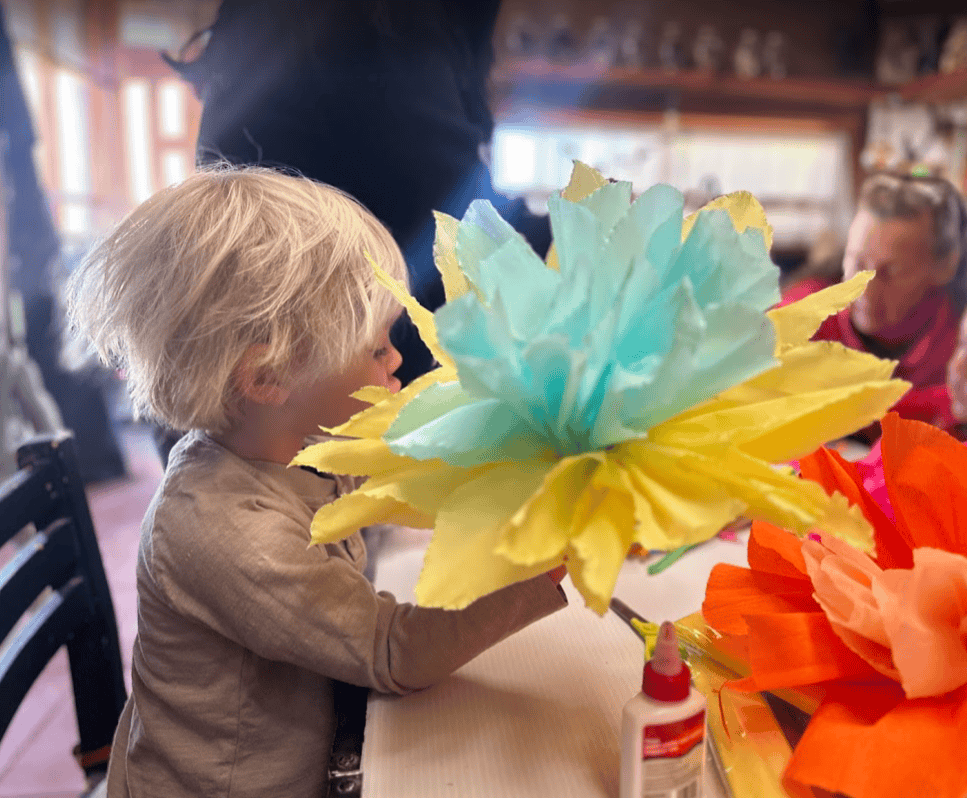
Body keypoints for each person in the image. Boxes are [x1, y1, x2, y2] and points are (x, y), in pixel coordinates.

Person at [66, 165, 567, 798]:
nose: (395, 361)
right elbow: (393, 650)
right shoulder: (225, 534)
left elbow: (414, 471)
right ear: (268, 376)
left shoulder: (292, 437)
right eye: (375, 347)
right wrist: (541, 571)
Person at [166, 0, 551, 386]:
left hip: (278, 392)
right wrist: (594, 224)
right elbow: (463, 231)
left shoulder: (285, 22)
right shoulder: (370, 23)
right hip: (327, 395)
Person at [785, 171, 967, 434]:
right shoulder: (802, 316)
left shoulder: (958, 336)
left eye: (890, 272)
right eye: (857, 263)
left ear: (944, 266)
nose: (865, 290)